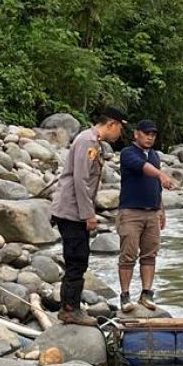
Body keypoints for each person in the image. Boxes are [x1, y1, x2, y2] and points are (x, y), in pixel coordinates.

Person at [50, 107, 126, 326]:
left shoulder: (93, 142)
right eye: (119, 128)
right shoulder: (88, 142)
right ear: (111, 124)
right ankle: (69, 309)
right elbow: (81, 181)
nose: (119, 133)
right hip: (72, 212)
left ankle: (71, 305)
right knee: (77, 258)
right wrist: (88, 215)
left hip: (73, 211)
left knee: (78, 258)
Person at [117, 119, 177, 312]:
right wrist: (161, 174)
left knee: (150, 255)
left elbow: (155, 187)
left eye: (153, 134)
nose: (150, 137)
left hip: (152, 212)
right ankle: (125, 297)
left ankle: (146, 294)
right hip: (131, 212)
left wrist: (161, 209)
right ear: (136, 134)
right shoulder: (128, 153)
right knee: (128, 255)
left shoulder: (154, 156)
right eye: (146, 133)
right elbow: (143, 168)